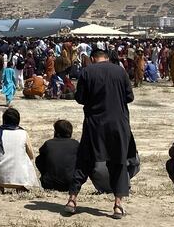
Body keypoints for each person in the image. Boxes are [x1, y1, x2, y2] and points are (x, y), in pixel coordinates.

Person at [66, 49, 136, 219]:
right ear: (107, 58)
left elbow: (80, 98)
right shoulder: (120, 71)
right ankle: (118, 205)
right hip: (118, 123)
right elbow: (130, 97)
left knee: (84, 160)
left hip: (94, 123)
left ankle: (72, 200)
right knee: (118, 162)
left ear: (92, 58)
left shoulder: (87, 71)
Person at [0, 108, 39, 193]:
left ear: (4, 120)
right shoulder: (23, 133)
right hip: (20, 179)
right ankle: (20, 187)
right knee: (27, 159)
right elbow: (31, 155)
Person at [36, 120, 79, 192]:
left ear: (56, 132)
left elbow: (39, 160)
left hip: (49, 184)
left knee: (39, 159)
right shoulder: (76, 144)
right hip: (71, 184)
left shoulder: (48, 143)